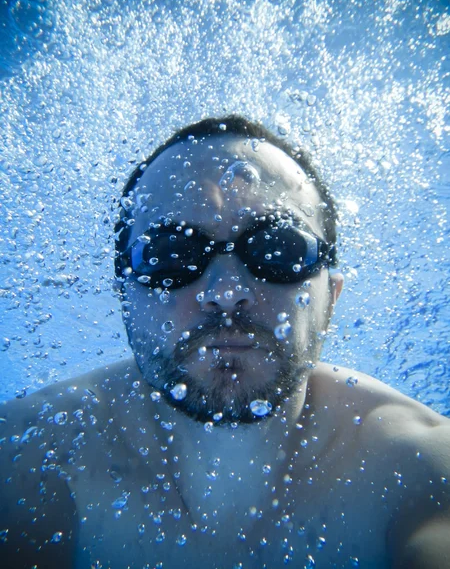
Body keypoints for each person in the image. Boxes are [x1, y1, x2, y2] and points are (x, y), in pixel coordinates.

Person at [0, 116, 449, 569]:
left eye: (279, 248)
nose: (226, 291)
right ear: (125, 298)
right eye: (171, 254)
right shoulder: (30, 453)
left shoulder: (421, 467)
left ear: (330, 298)